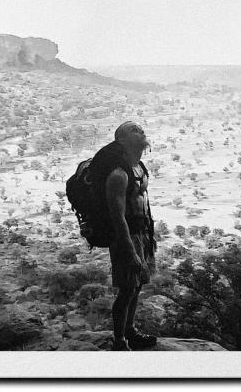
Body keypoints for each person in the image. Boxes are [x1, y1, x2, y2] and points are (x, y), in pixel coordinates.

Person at [90, 121, 157, 351]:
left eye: (141, 128)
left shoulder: (139, 167)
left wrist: (149, 237)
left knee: (137, 286)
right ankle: (119, 341)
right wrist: (129, 250)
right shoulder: (118, 174)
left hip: (142, 233)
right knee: (127, 289)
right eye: (134, 130)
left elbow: (142, 203)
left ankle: (130, 331)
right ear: (121, 140)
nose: (141, 131)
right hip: (125, 237)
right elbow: (117, 217)